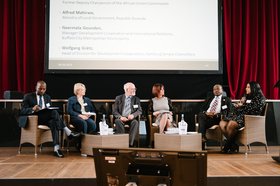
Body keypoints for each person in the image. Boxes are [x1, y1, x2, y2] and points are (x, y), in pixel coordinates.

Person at [19, 80, 80, 158]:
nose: (42, 91)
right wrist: (32, 109)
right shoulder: (28, 96)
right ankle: (68, 131)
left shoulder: (47, 97)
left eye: (44, 89)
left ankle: (56, 149)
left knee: (54, 122)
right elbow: (22, 111)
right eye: (40, 89)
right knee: (54, 113)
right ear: (36, 88)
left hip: (46, 118)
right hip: (35, 119)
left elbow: (49, 108)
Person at [219, 81, 266, 153]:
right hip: (239, 117)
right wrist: (238, 105)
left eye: (248, 87)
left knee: (231, 124)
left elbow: (252, 111)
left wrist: (242, 106)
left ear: (254, 88)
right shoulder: (246, 96)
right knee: (222, 123)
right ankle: (233, 145)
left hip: (248, 119)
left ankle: (227, 146)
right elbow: (240, 108)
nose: (246, 88)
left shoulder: (260, 98)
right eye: (246, 87)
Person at [112, 82, 142, 147]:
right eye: (132, 89)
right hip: (122, 118)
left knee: (135, 123)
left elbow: (139, 110)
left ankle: (129, 144)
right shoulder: (118, 98)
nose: (134, 90)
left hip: (131, 118)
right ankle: (122, 142)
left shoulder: (136, 99)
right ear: (126, 90)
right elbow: (115, 111)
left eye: (135, 89)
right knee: (117, 121)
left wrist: (133, 115)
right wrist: (120, 117)